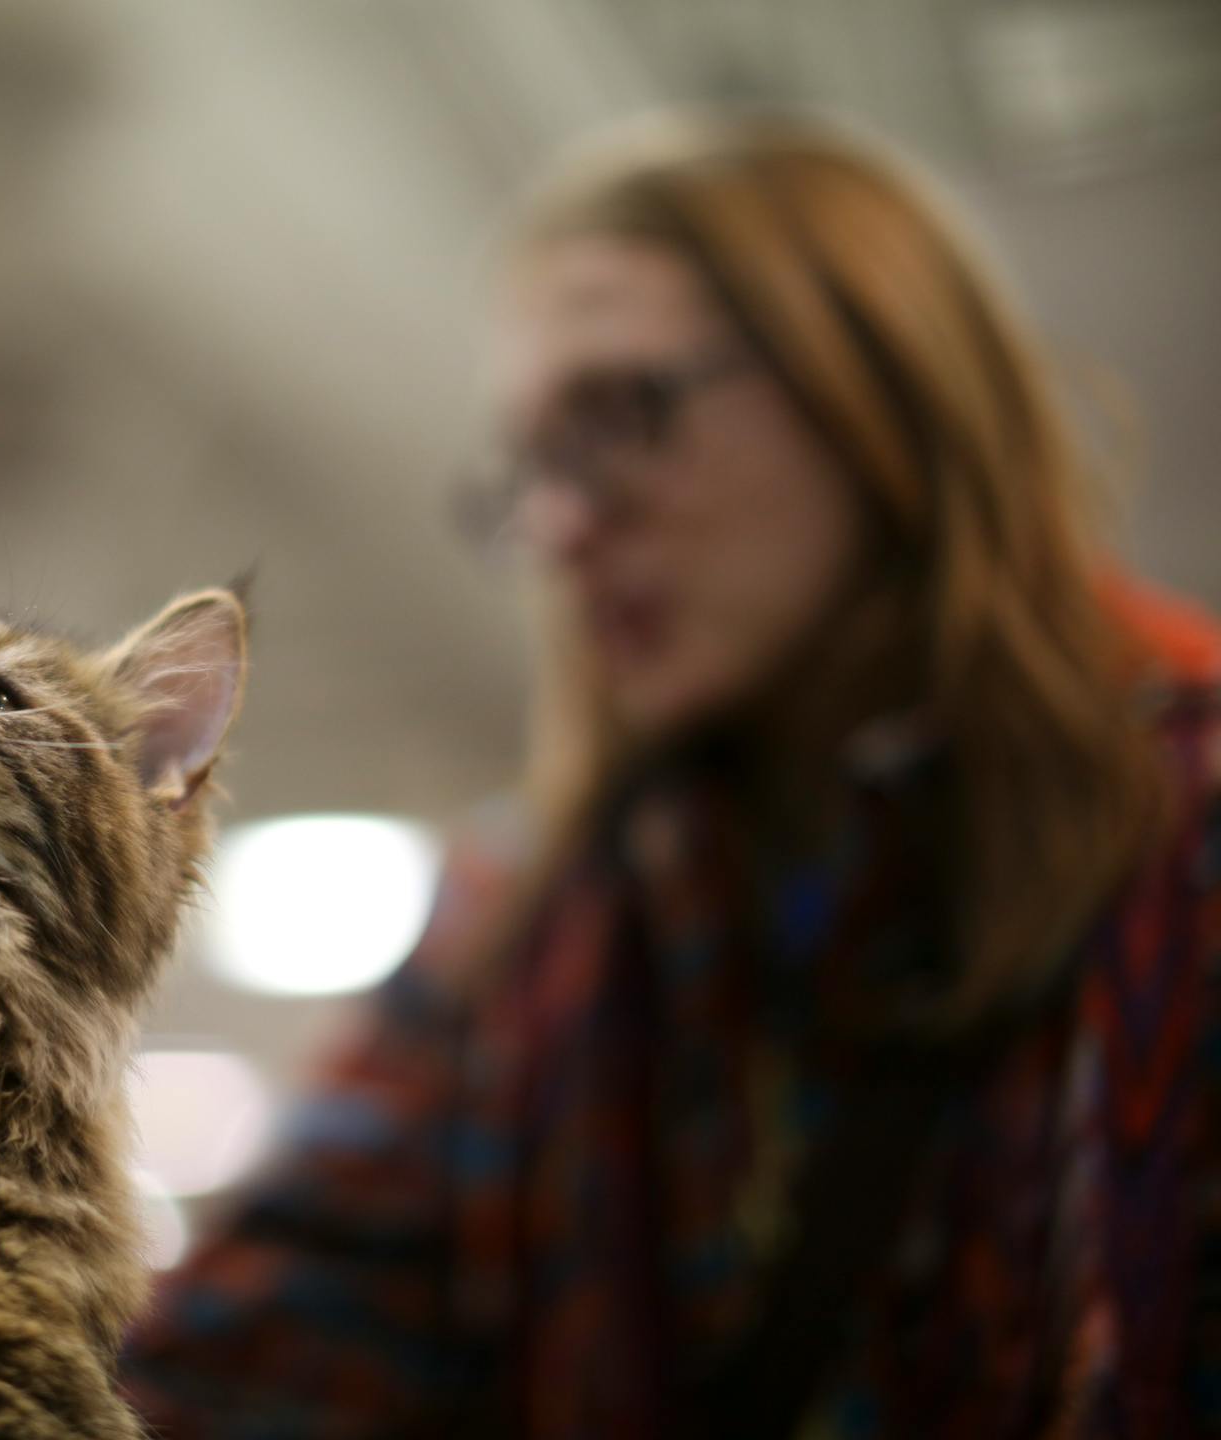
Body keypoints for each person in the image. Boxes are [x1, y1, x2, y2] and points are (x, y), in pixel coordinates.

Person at [121, 113, 1221, 1438]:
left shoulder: (1187, 823)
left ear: (880, 386)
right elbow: (254, 1357)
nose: (568, 526)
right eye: (531, 466)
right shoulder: (524, 924)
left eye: (625, 413)